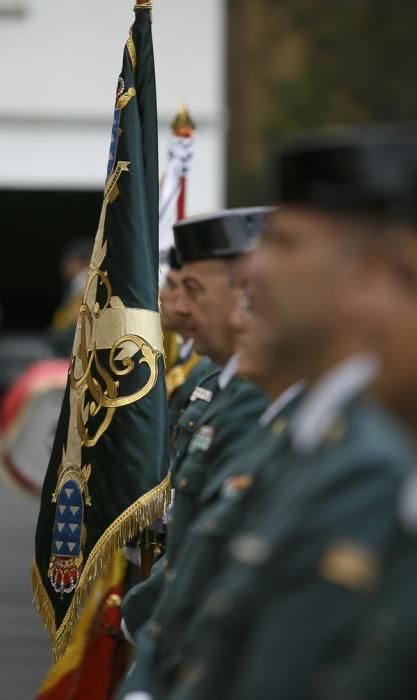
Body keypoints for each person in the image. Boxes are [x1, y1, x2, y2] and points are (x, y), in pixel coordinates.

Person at [155, 127, 417, 700]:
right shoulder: (320, 438)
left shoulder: (367, 459)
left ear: (369, 274)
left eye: (286, 243)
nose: (255, 271)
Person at [118, 208, 271, 698]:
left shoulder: (260, 396)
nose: (174, 308)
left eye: (192, 289)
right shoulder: (214, 378)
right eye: (173, 288)